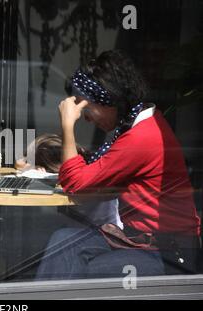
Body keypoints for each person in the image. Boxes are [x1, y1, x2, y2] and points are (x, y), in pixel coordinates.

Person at [36, 50, 201, 280]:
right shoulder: (141, 124)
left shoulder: (140, 137)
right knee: (62, 241)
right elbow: (93, 175)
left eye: (86, 109)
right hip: (136, 240)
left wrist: (66, 125)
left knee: (76, 268)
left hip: (167, 254)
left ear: (110, 101)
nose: (85, 118)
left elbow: (76, 185)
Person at [16, 134, 123, 229]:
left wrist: (35, 172)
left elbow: (46, 210)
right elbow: (20, 163)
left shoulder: (76, 178)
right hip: (98, 228)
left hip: (99, 232)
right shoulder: (90, 162)